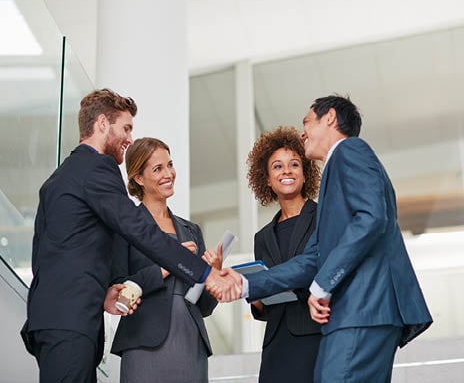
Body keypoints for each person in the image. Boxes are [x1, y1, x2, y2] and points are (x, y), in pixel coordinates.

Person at [20, 88, 239, 383]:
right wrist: (205, 273)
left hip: (56, 317)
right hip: (71, 320)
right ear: (101, 124)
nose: (129, 138)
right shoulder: (97, 168)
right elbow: (139, 228)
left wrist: (104, 295)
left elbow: (48, 255)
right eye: (126, 128)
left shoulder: (60, 177)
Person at [222, 95, 433, 382]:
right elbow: (313, 258)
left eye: (306, 122)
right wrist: (244, 282)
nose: (303, 132)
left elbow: (372, 218)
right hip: (359, 314)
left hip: (363, 309)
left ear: (330, 118)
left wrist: (322, 285)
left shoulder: (350, 150)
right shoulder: (337, 174)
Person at [110, 137, 221, 383]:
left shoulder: (191, 230)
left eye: (169, 165)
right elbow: (119, 292)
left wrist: (213, 274)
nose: (168, 173)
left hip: (191, 342)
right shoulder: (126, 226)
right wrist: (170, 263)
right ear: (139, 178)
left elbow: (204, 306)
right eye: (158, 169)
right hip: (144, 342)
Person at [246, 126, 322, 383]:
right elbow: (266, 305)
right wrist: (255, 298)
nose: (286, 171)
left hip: (316, 338)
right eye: (277, 166)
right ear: (267, 179)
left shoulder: (323, 217)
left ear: (304, 173)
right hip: (277, 345)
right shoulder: (262, 237)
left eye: (294, 165)